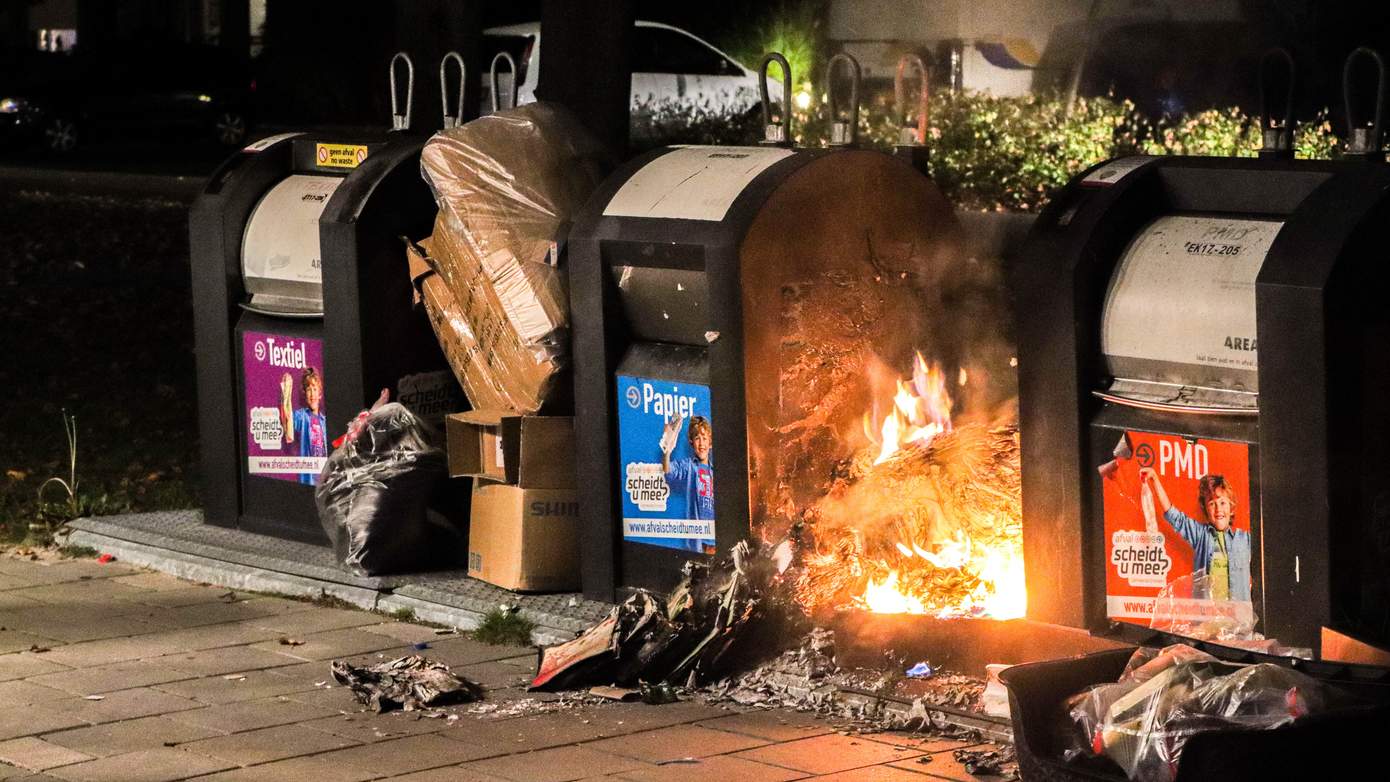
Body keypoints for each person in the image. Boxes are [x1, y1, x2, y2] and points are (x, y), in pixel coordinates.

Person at [1139, 467, 1251, 602]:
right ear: (1206, 510)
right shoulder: (1201, 535)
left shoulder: (1245, 540)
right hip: (1207, 619)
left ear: (1231, 508)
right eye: (1212, 504)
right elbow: (1173, 515)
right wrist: (1154, 479)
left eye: (1222, 502)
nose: (1218, 509)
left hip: (1237, 619)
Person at [659, 414, 714, 524]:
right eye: (697, 438)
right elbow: (668, 472)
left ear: (710, 443)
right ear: (691, 442)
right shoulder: (688, 467)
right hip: (698, 537)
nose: (701, 443)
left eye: (704, 438)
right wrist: (667, 450)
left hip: (714, 536)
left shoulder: (714, 471)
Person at [280, 367, 327, 485]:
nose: (312, 394)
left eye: (315, 389)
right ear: (305, 394)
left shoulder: (324, 422)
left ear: (320, 394)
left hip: (324, 480)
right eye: (309, 390)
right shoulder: (301, 416)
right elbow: (288, 418)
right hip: (308, 481)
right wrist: (286, 391)